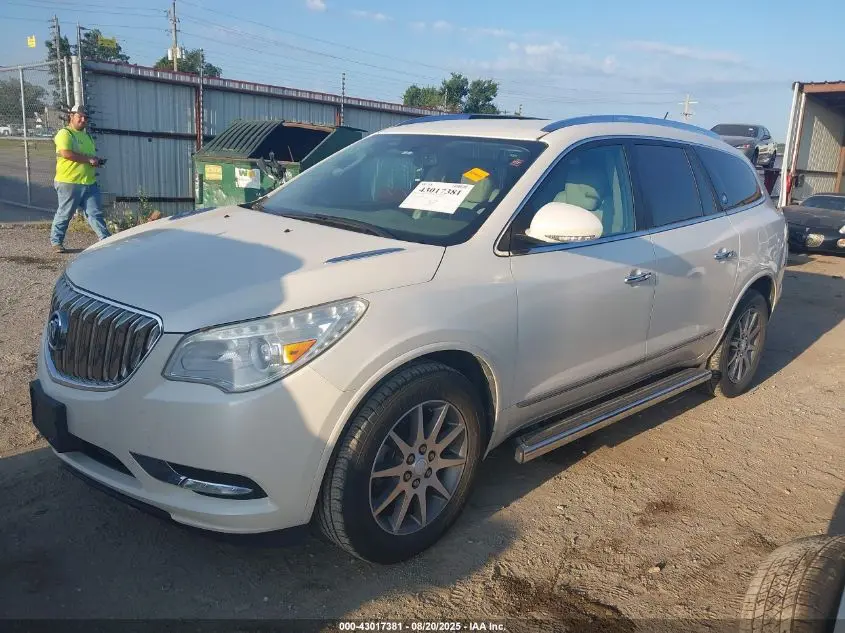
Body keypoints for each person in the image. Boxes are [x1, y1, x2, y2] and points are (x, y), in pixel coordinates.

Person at [50, 104, 110, 253]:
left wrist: (95, 161)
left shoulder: (87, 136)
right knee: (65, 213)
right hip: (69, 182)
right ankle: (56, 242)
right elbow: (66, 154)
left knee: (95, 213)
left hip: (88, 182)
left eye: (85, 118)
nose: (83, 120)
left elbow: (87, 156)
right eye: (80, 116)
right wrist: (89, 160)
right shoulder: (65, 134)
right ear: (72, 116)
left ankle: (106, 239)